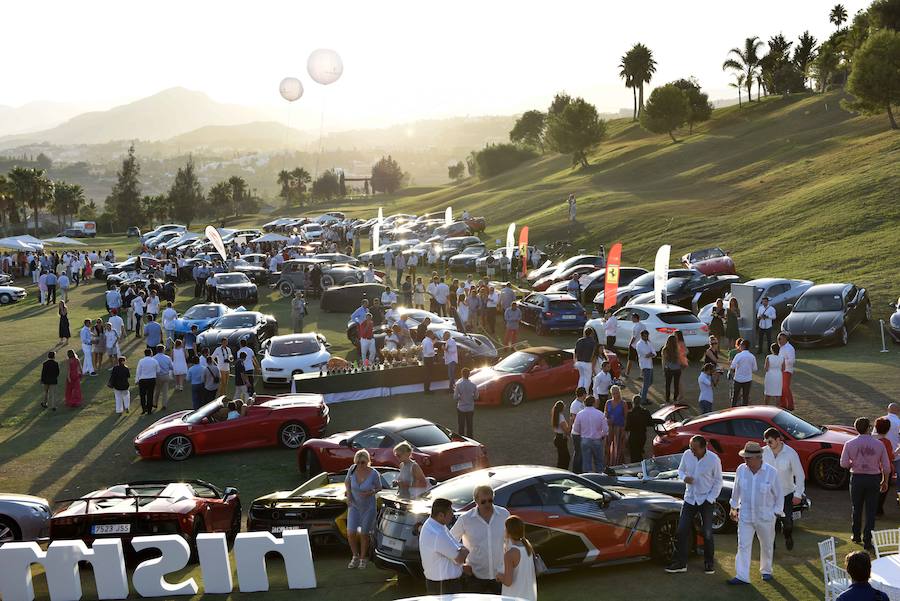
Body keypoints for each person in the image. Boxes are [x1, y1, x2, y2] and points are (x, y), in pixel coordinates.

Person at [666, 435, 723, 575]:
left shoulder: (714, 459)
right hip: (690, 499)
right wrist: (684, 478)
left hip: (706, 500)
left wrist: (710, 499)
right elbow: (680, 470)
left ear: (704, 448)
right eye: (691, 448)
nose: (691, 451)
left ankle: (709, 564)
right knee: (681, 530)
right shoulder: (687, 454)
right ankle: (681, 563)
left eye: (695, 449)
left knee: (707, 533)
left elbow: (718, 482)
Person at [727, 441, 783, 585]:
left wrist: (775, 513)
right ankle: (742, 576)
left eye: (748, 458)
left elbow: (779, 495)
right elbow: (736, 489)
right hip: (745, 515)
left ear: (758, 457)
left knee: (766, 544)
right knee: (743, 545)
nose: (745, 460)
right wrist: (733, 507)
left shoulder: (771, 473)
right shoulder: (741, 469)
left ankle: (766, 571)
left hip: (765, 517)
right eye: (744, 457)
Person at [840, 417, 891, 553]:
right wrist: (885, 481)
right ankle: (867, 540)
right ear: (868, 428)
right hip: (873, 478)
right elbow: (886, 467)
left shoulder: (849, 443)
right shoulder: (879, 444)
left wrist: (853, 463)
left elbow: (843, 463)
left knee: (856, 508)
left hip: (857, 478)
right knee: (871, 510)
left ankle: (856, 535)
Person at [449, 485, 510, 595]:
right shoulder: (465, 519)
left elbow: (510, 541)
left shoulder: (504, 514)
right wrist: (461, 565)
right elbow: (450, 542)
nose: (487, 504)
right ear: (476, 500)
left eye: (490, 501)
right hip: (475, 576)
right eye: (483, 502)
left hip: (500, 574)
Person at [762, 428, 805, 550]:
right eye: (766, 442)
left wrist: (798, 494)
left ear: (778, 440)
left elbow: (800, 474)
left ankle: (787, 536)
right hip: (768, 495)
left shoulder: (791, 453)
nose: (767, 445)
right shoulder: (763, 452)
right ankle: (771, 547)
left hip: (786, 494)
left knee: (787, 523)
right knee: (769, 524)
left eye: (770, 442)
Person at [420, 497, 468, 594]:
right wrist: (464, 550)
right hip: (445, 587)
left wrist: (461, 549)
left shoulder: (433, 525)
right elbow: (459, 558)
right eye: (450, 512)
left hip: (439, 584)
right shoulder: (438, 534)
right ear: (441, 515)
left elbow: (456, 545)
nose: (452, 515)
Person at [346, 450, 382, 570]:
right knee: (351, 532)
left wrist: (370, 492)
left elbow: (379, 487)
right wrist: (349, 495)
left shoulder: (373, 473)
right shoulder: (352, 469)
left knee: (364, 533)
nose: (361, 465)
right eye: (358, 462)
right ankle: (354, 556)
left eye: (363, 462)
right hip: (354, 506)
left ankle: (362, 558)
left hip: (368, 507)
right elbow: (347, 482)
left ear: (368, 461)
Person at [495, 515, 537, 601]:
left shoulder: (510, 554)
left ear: (508, 531)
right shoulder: (527, 546)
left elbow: (508, 581)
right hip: (529, 596)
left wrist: (499, 576)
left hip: (514, 597)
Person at [572, 396, 609, 472]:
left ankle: (588, 479)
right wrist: (601, 435)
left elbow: (576, 429)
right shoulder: (600, 414)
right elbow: (605, 430)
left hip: (585, 440)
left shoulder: (580, 414)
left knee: (586, 463)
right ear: (593, 403)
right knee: (599, 462)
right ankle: (600, 478)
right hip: (597, 440)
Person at [604, 385, 628, 465]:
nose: (615, 395)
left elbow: (625, 417)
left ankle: (617, 463)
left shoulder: (623, 403)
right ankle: (608, 463)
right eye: (613, 393)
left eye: (616, 393)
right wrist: (607, 420)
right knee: (607, 445)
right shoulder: (608, 402)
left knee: (618, 447)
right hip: (610, 426)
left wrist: (624, 429)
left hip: (619, 427)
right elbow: (605, 414)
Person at [729, 339, 757, 406]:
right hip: (748, 379)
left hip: (738, 379)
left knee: (735, 397)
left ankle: (733, 410)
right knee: (745, 397)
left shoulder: (738, 356)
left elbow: (732, 366)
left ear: (743, 346)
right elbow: (755, 368)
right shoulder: (752, 356)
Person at [625, 396, 652, 462]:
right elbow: (650, 423)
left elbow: (627, 428)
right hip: (642, 435)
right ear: (640, 402)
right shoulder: (646, 412)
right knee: (639, 453)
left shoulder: (630, 414)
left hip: (633, 436)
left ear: (633, 402)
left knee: (633, 456)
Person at [453, 367, 478, 436]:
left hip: (461, 407)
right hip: (470, 407)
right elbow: (476, 397)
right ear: (469, 374)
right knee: (470, 425)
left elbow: (455, 397)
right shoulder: (473, 385)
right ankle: (470, 439)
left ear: (462, 374)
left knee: (461, 425)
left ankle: (462, 439)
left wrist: (460, 397)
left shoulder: (458, 385)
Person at [136, 348, 160, 415]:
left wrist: (137, 379)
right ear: (151, 353)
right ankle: (149, 409)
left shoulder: (141, 361)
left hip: (143, 379)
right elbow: (158, 370)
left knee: (142, 395)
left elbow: (138, 371)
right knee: (150, 394)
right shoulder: (154, 361)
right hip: (151, 379)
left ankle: (144, 409)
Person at [636, 330, 656, 405]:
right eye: (645, 336)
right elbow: (646, 354)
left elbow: (654, 353)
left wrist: (651, 354)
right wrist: (651, 354)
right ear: (641, 336)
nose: (646, 337)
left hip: (650, 365)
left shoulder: (649, 342)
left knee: (650, 382)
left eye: (647, 335)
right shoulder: (639, 344)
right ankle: (643, 400)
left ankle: (641, 395)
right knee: (646, 383)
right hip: (644, 365)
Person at [777, 333, 796, 411]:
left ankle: (790, 405)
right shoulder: (781, 348)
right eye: (778, 339)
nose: (779, 341)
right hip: (781, 370)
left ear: (785, 339)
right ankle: (783, 405)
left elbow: (792, 360)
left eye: (780, 339)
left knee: (785, 388)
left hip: (787, 370)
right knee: (781, 388)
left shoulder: (789, 348)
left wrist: (782, 361)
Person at [625, 313, 647, 378]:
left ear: (635, 318)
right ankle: (642, 374)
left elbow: (634, 337)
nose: (631, 319)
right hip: (641, 345)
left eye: (632, 318)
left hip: (634, 345)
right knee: (641, 360)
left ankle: (627, 373)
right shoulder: (643, 325)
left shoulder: (636, 326)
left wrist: (630, 344)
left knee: (630, 360)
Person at [152, 345, 174, 410]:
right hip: (166, 375)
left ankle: (155, 403)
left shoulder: (154, 358)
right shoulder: (167, 358)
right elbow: (172, 367)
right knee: (165, 391)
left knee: (157, 390)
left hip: (157, 376)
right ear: (163, 350)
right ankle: (164, 404)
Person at [661, 334, 682, 403]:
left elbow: (664, 361)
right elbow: (680, 359)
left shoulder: (665, 349)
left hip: (669, 369)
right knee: (676, 385)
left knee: (667, 385)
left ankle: (667, 400)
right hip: (677, 369)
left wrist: (663, 369)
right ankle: (675, 400)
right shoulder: (678, 349)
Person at [551, 400, 571, 469]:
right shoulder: (561, 417)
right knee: (565, 458)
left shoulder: (555, 415)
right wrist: (571, 423)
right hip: (561, 440)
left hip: (558, 438)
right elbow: (566, 430)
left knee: (561, 458)